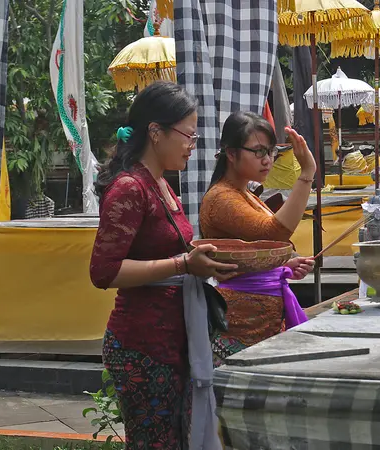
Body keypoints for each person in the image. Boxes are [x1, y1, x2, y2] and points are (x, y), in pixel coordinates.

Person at [90, 81, 235, 450]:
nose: (192, 145)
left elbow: (175, 255)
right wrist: (184, 263)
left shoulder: (161, 185)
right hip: (143, 345)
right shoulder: (129, 188)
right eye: (188, 134)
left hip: (174, 338)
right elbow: (104, 272)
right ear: (156, 132)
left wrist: (201, 259)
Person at [198, 111, 317, 366]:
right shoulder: (221, 198)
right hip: (241, 322)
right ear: (231, 153)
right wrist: (306, 173)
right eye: (259, 151)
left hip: (262, 318)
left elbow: (261, 249)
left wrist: (284, 265)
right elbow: (274, 233)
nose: (268, 160)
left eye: (271, 151)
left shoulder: (244, 193)